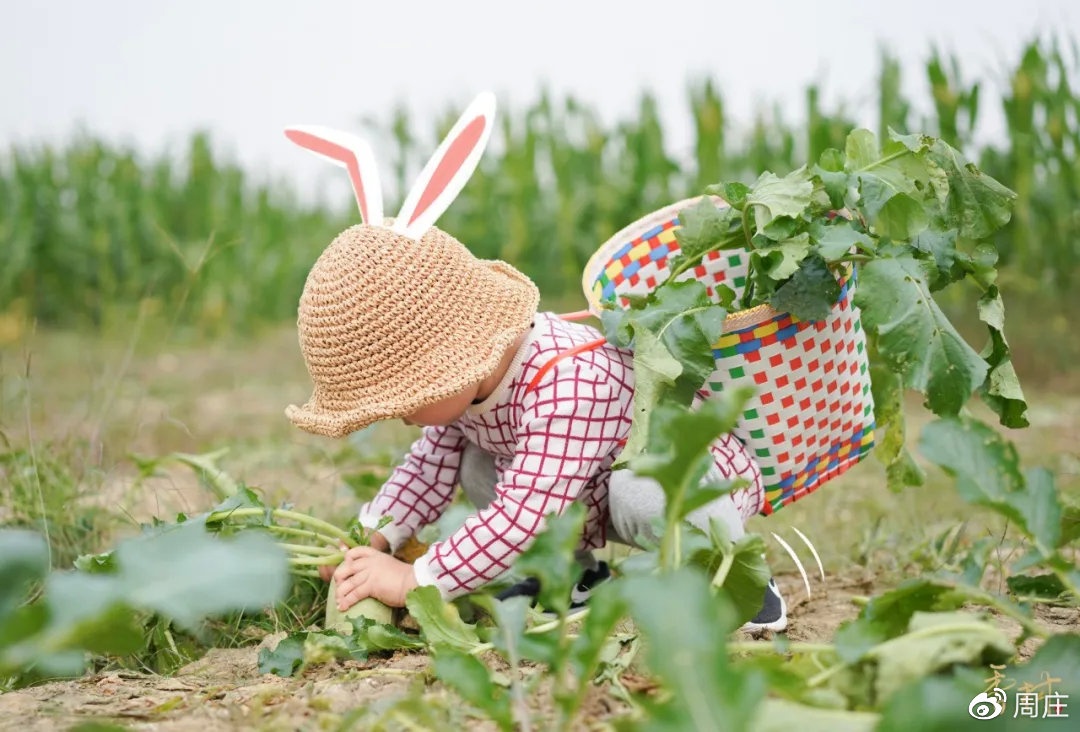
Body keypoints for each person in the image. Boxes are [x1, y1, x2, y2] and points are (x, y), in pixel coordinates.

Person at [283, 93, 787, 632]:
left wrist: (415, 579)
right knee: (477, 464)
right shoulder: (470, 388)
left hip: (692, 475)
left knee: (641, 492)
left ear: (454, 362)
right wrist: (375, 535)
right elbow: (426, 469)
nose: (399, 415)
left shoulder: (567, 381)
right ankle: (571, 578)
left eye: (404, 398)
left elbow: (525, 513)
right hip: (587, 482)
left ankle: (734, 579)